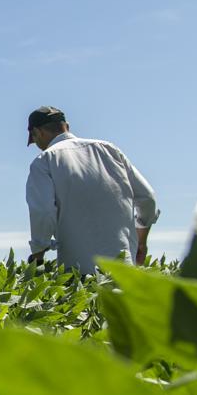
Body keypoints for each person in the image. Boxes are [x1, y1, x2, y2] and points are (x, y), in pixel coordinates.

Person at [25, 106, 159, 273]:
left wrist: (38, 255)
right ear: (67, 126)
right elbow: (148, 198)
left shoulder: (44, 161)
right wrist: (141, 241)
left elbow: (43, 212)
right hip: (124, 269)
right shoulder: (109, 149)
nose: (38, 145)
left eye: (35, 140)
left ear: (37, 132)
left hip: (79, 272)